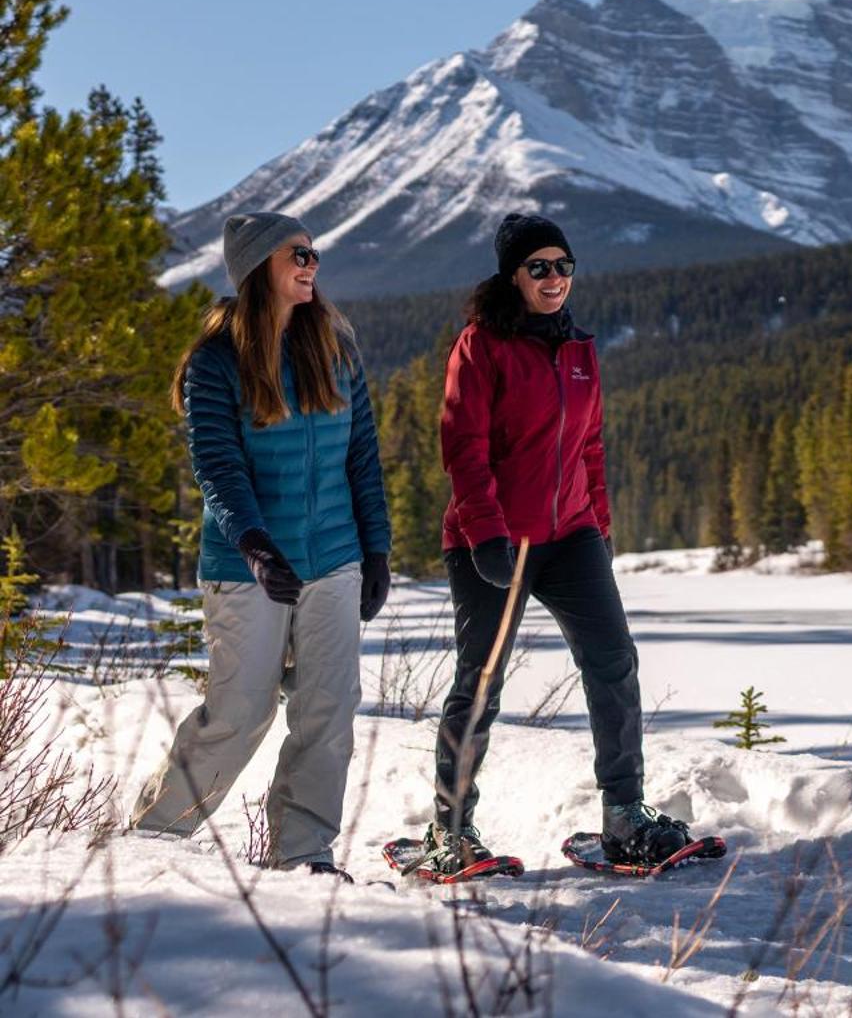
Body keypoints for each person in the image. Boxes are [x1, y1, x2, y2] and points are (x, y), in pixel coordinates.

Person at [412, 213, 689, 876]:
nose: (554, 278)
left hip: (572, 537)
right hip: (495, 539)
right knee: (480, 681)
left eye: (563, 265)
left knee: (614, 661)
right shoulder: (480, 345)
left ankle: (624, 813)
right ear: (514, 275)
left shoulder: (579, 349)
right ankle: (450, 828)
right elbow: (464, 447)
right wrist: (485, 534)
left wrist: (601, 525)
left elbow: (590, 447)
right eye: (539, 267)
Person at [131, 212, 392, 879]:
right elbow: (217, 464)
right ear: (257, 270)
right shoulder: (215, 362)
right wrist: (253, 544)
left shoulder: (335, 347)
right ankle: (152, 838)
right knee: (241, 711)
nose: (311, 264)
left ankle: (303, 855)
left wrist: (377, 549)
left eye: (313, 253)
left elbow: (362, 457)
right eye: (296, 254)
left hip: (334, 558)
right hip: (248, 566)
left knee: (327, 711)